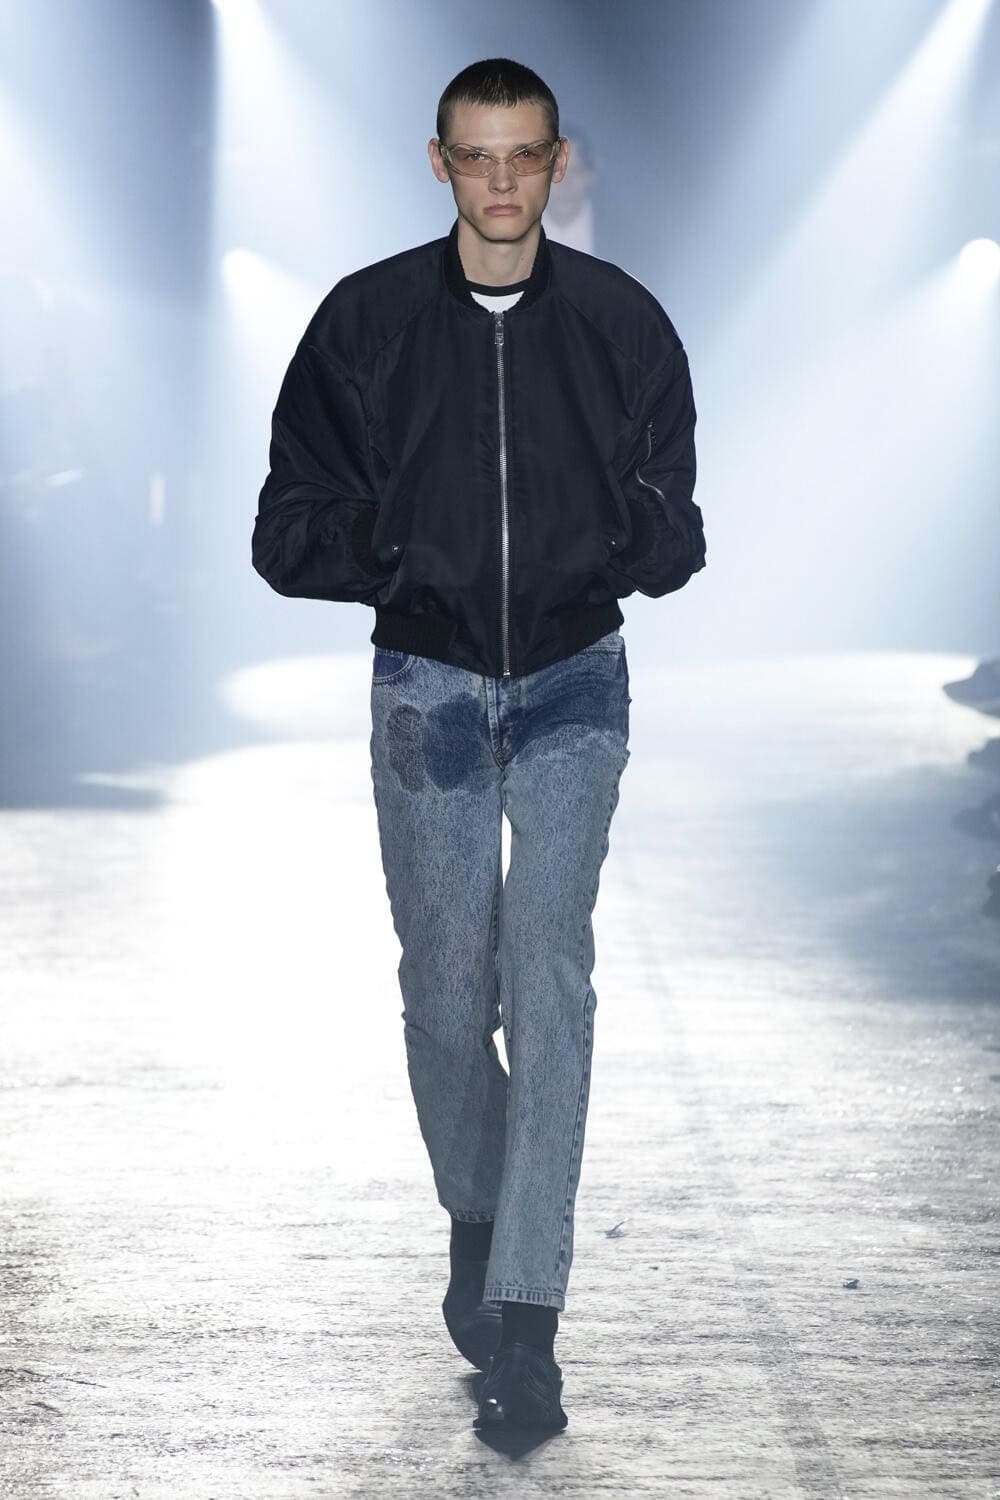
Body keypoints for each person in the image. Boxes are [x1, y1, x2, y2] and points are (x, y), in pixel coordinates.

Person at [251, 57, 705, 1432]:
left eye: (525, 156)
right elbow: (286, 527)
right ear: (438, 161)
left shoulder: (621, 324)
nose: (503, 181)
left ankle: (527, 1324)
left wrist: (615, 542)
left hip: (574, 679)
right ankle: (478, 1210)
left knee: (547, 975)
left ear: (557, 161)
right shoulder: (367, 323)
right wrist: (407, 549)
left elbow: (676, 525)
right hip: (428, 684)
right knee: (448, 997)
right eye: (477, 156)